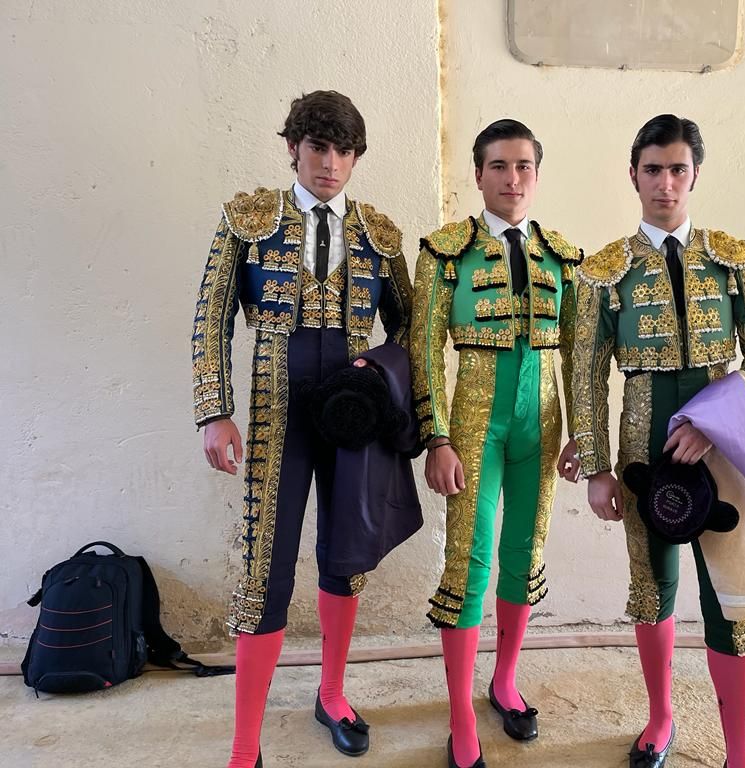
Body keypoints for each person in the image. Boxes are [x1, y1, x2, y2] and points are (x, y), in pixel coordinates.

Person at [191, 90, 421, 767]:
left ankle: (332, 693)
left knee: (345, 554)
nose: (331, 162)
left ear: (356, 158)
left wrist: (380, 376)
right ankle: (244, 745)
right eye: (319, 147)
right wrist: (214, 410)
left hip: (352, 415)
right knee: (264, 567)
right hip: (273, 409)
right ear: (294, 147)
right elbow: (211, 316)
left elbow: (409, 325)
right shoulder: (249, 219)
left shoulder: (380, 234)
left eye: (344, 151)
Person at [572, 114, 745, 768]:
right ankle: (661, 721)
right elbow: (584, 371)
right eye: (653, 170)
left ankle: (739, 753)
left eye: (678, 170)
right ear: (633, 174)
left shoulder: (733, 258)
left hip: (723, 442)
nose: (665, 183)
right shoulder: (602, 271)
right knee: (652, 586)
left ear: (695, 174)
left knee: (732, 594)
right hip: (643, 437)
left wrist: (714, 420)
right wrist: (597, 468)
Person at [410, 119, 581, 768]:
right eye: (500, 167)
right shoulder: (446, 250)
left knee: (524, 550)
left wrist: (584, 439)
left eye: (525, 167)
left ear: (537, 174)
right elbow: (423, 348)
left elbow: (579, 355)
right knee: (469, 561)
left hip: (542, 426)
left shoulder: (563, 255)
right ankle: (460, 715)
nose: (513, 180)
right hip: (475, 425)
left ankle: (504, 680)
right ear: (478, 174)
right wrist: (437, 437)